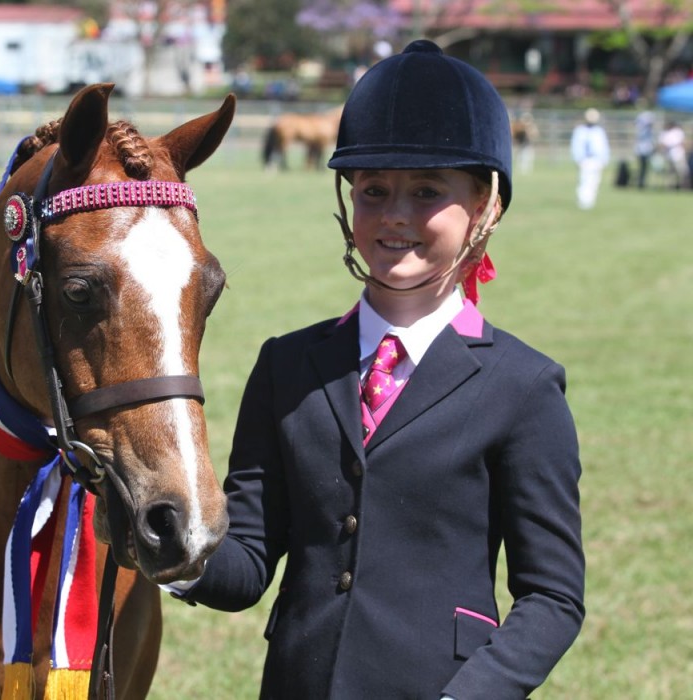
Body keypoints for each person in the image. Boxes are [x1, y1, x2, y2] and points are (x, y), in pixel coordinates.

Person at [167, 40, 585, 699]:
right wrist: (159, 540)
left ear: (486, 207)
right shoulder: (287, 364)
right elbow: (246, 565)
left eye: (426, 192)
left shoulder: (525, 387)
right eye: (374, 190)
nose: (394, 215)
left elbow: (552, 596)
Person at [569, 108, 611, 209]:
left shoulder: (599, 131)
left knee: (595, 181)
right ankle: (584, 201)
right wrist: (578, 159)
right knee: (584, 180)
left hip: (597, 159)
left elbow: (603, 146)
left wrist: (604, 159)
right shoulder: (580, 130)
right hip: (585, 159)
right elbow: (576, 146)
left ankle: (590, 200)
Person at [658, 120, 689, 190]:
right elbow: (662, 144)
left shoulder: (678, 132)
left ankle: (683, 186)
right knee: (670, 173)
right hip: (669, 156)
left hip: (679, 155)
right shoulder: (665, 133)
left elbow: (683, 143)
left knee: (682, 172)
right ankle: (671, 187)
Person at [634, 110, 656, 188]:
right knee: (642, 168)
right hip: (642, 151)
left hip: (646, 150)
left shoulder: (647, 130)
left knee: (644, 168)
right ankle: (640, 183)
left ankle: (642, 182)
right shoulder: (643, 130)